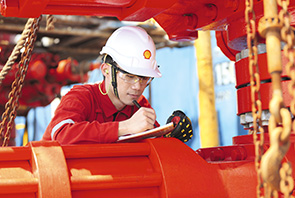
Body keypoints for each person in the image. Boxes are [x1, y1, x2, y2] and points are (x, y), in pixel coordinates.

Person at [42, 26, 193, 144]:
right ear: (106, 70)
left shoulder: (139, 108)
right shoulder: (80, 97)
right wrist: (125, 127)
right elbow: (62, 135)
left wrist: (169, 136)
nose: (137, 86)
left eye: (144, 78)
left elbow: (152, 150)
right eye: (129, 76)